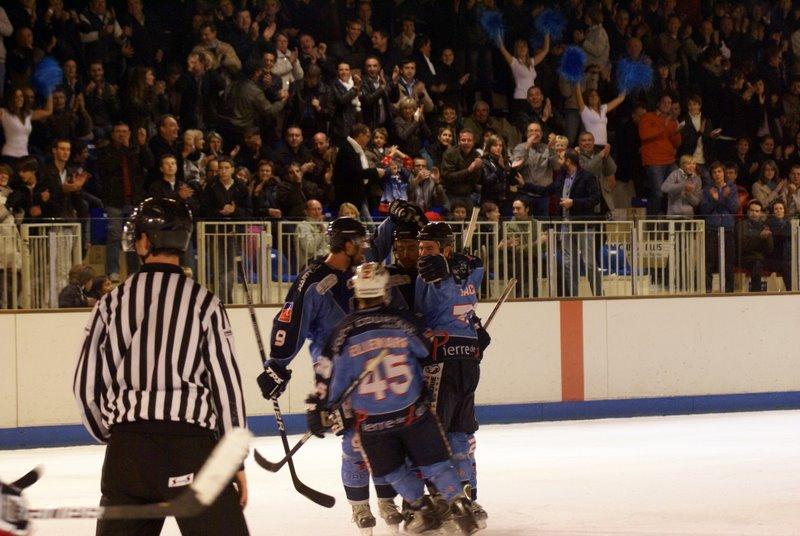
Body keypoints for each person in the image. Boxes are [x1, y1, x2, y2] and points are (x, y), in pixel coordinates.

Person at [73, 197, 249, 536]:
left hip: (127, 454)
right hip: (190, 449)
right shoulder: (205, 303)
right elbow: (226, 386)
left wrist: (115, 433)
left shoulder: (111, 304)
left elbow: (86, 384)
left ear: (143, 241)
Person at [306, 262, 479, 535]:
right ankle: (458, 503)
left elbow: (327, 374)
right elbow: (424, 349)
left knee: (394, 471)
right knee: (435, 464)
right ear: (385, 291)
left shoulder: (343, 332)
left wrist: (319, 407)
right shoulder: (402, 321)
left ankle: (420, 507)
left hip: (373, 424)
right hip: (414, 413)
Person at [258, 214, 405, 533]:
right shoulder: (314, 280)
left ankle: (386, 501)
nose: (365, 248)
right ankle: (360, 507)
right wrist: (278, 365)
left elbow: (380, 249)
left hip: (374, 367)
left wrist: (393, 219)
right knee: (355, 441)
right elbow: (291, 321)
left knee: (384, 435)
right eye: (360, 243)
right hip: (337, 373)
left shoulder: (362, 270)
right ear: (347, 245)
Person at [415, 221, 489, 524]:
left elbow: (423, 312)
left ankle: (445, 502)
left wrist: (448, 271)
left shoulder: (429, 274)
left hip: (443, 362)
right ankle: (468, 499)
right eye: (420, 248)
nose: (422, 254)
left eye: (429, 248)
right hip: (468, 358)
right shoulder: (468, 270)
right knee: (461, 433)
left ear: (445, 249)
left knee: (438, 434)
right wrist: (459, 264)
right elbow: (477, 266)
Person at [639, 94, 682, 215]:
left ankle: (671, 218)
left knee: (677, 189)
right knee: (658, 193)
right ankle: (652, 222)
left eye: (669, 103)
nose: (667, 105)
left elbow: (676, 143)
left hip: (670, 160)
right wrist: (664, 124)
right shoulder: (647, 116)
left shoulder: (672, 121)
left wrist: (677, 131)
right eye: (664, 102)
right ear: (658, 103)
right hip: (654, 160)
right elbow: (644, 135)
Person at [700, 162, 739, 293]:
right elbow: (704, 209)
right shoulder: (708, 189)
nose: (717, 174)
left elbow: (734, 208)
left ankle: (729, 289)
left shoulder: (732, 188)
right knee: (709, 261)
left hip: (727, 228)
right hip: (712, 228)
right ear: (711, 175)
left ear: (724, 173)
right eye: (714, 172)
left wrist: (721, 198)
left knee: (728, 261)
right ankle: (707, 289)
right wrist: (715, 199)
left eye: (719, 171)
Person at [737, 199, 773, 292]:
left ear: (761, 213)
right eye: (752, 210)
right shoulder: (742, 225)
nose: (754, 213)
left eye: (757, 211)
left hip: (761, 258)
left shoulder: (765, 226)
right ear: (748, 212)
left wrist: (768, 238)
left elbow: (770, 249)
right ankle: (756, 294)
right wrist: (759, 237)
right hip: (745, 258)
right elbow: (743, 246)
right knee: (756, 263)